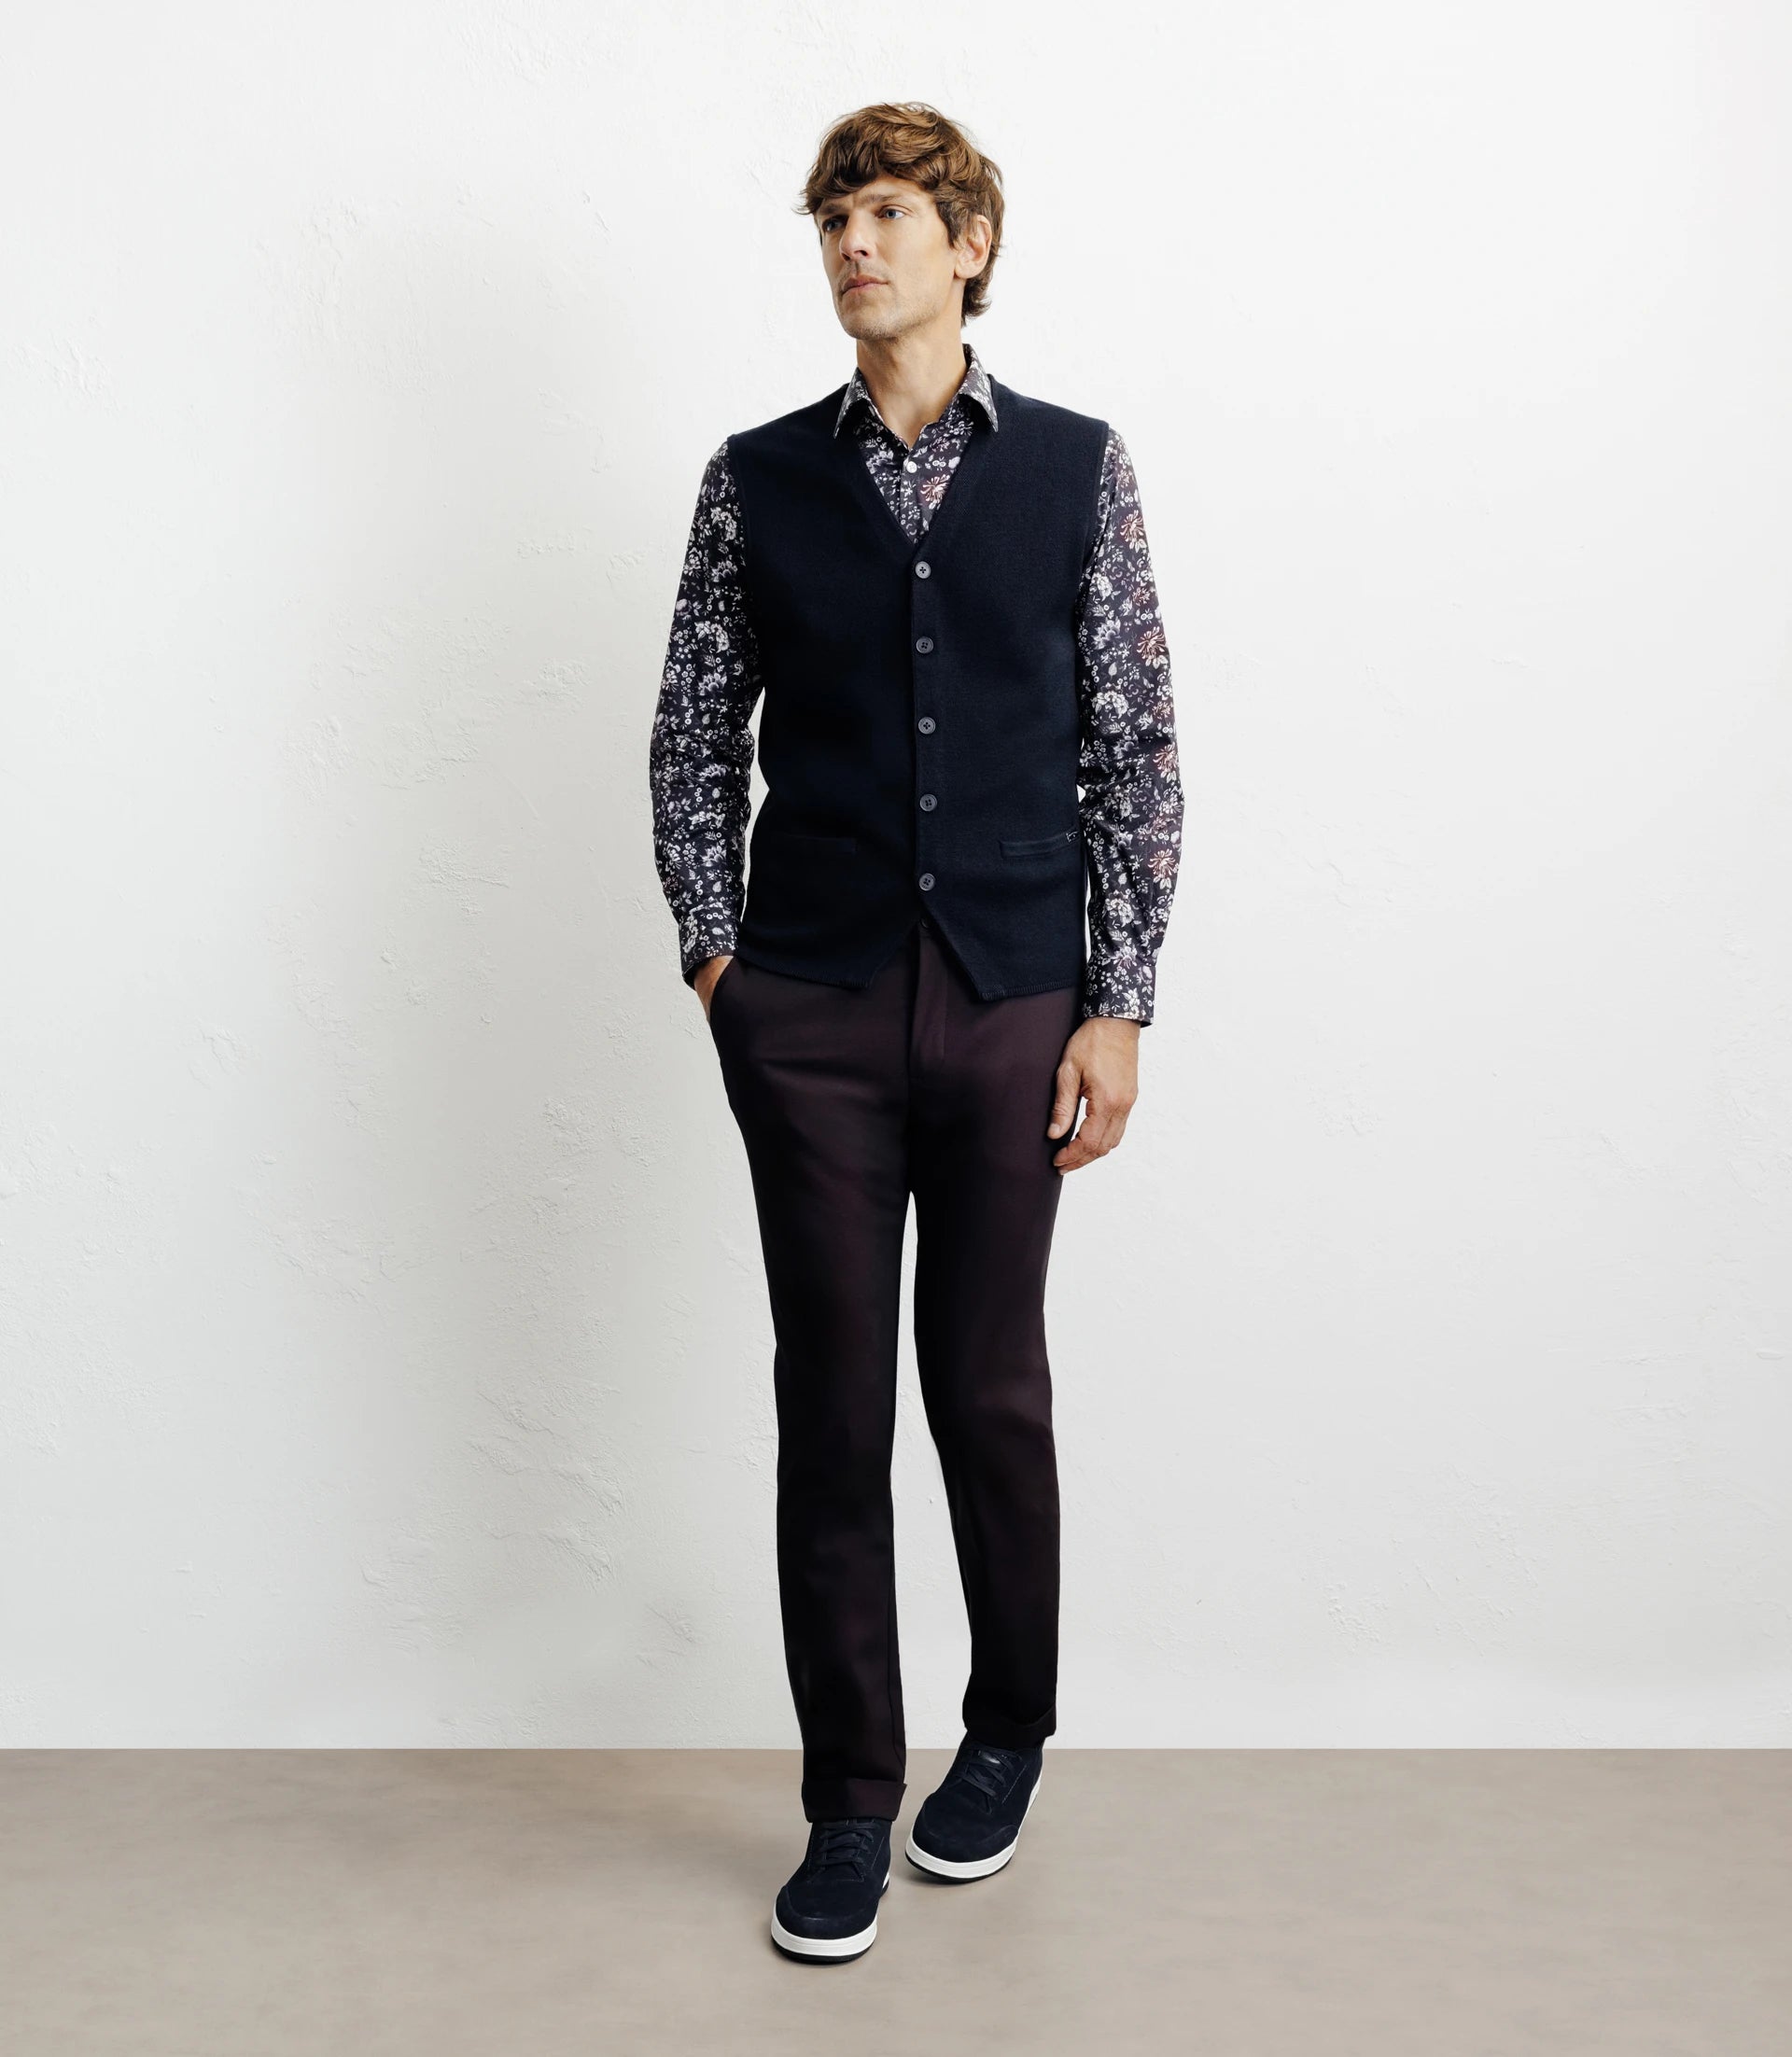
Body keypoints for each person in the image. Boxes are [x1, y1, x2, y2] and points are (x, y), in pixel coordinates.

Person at [648, 100, 1183, 1963]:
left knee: (988, 1386)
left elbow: (1134, 747)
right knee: (832, 1404)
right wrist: (722, 970)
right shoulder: (755, 478)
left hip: (1015, 996)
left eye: (885, 212)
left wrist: (1119, 1001)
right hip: (806, 1007)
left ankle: (1009, 1728)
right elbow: (691, 733)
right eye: (833, 220)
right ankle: (849, 1802)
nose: (853, 245)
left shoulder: (1077, 466)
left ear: (970, 245)